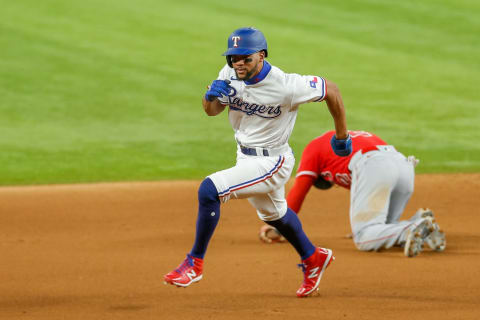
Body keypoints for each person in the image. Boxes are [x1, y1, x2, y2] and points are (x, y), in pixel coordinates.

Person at [163, 27, 353, 298]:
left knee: (209, 190)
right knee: (275, 216)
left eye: (245, 58)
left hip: (273, 161)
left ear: (261, 56)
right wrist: (209, 97)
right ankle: (313, 258)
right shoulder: (228, 73)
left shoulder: (287, 85)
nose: (238, 63)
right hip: (245, 157)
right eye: (233, 58)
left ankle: (194, 262)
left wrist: (342, 135)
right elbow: (212, 111)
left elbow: (332, 90)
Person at [258, 130, 446, 257]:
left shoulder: (314, 147)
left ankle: (412, 227)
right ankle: (421, 223)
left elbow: (298, 191)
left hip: (373, 164)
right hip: (403, 164)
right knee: (383, 230)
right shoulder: (343, 145)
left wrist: (279, 225)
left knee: (364, 237)